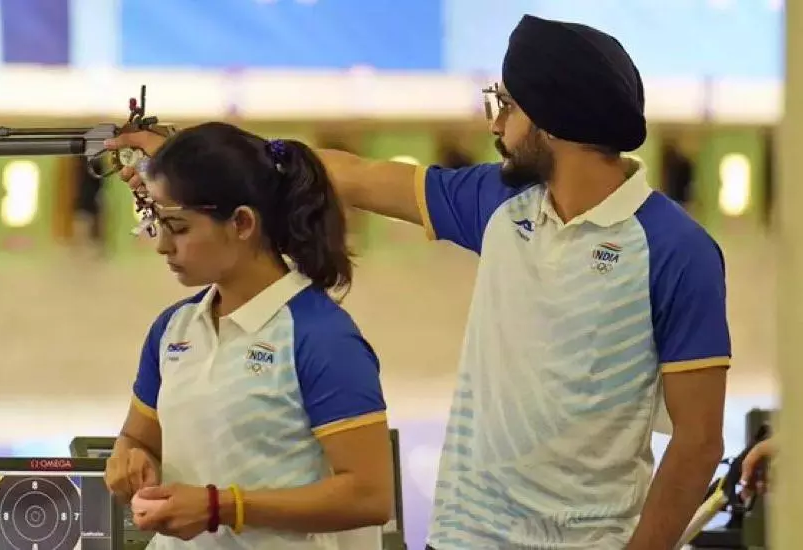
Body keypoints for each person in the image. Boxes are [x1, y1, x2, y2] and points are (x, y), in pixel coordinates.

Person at [106, 15, 731, 550]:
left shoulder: (676, 251)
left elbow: (699, 442)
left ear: (551, 120)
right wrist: (190, 155)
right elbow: (354, 174)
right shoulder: (499, 204)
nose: (494, 124)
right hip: (461, 534)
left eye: (506, 106)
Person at [102, 121, 394, 549]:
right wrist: (129, 460)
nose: (163, 244)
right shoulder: (172, 328)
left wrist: (222, 508)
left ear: (241, 223)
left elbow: (369, 496)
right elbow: (139, 439)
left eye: (178, 227)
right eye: (156, 224)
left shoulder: (321, 336)